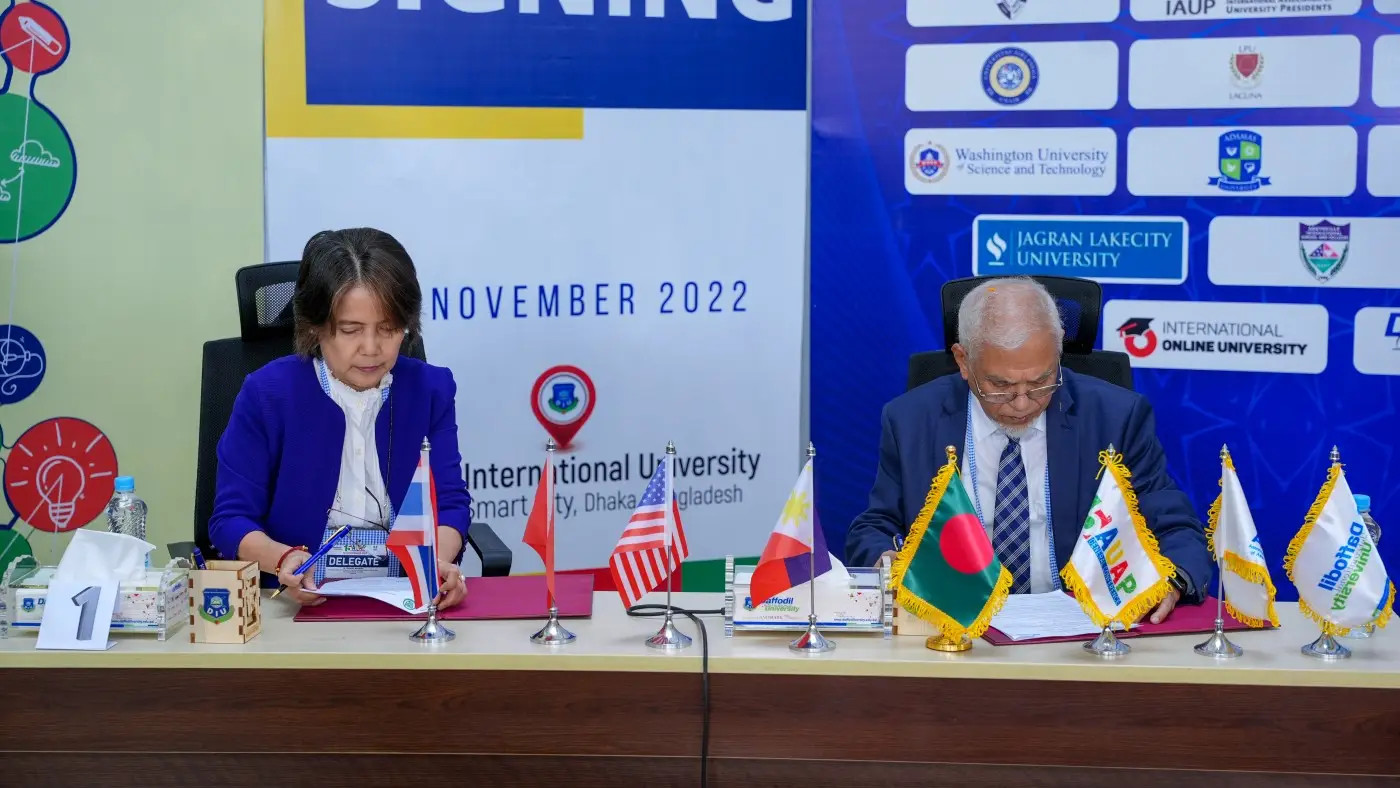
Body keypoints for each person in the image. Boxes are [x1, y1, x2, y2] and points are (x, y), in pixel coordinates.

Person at [846, 277, 1210, 623]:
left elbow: (1174, 526)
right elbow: (877, 525)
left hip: (1079, 631)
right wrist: (885, 559)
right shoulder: (911, 420)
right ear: (963, 361)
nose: (1022, 404)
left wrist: (1173, 579)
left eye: (1041, 381)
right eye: (1000, 385)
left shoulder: (1116, 418)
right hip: (952, 626)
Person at [208, 228, 470, 609]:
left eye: (388, 329)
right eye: (351, 330)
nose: (371, 348)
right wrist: (283, 559)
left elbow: (450, 503)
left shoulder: (431, 391)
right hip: (298, 602)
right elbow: (231, 519)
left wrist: (438, 563)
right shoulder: (267, 395)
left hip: (405, 599)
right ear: (314, 327)